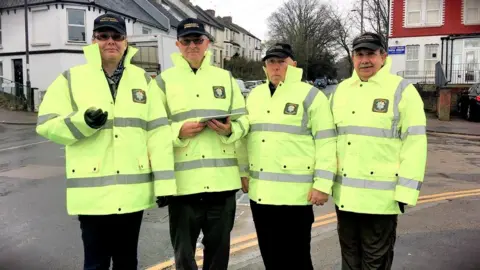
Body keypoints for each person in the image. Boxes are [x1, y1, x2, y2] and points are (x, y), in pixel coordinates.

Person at [36, 13, 176, 270]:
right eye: (103, 36)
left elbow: (158, 133)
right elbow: (46, 124)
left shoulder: (144, 81)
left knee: (126, 262)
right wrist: (82, 123)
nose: (110, 41)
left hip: (132, 195)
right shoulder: (71, 78)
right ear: (93, 40)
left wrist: (165, 183)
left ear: (125, 41)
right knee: (96, 264)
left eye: (116, 36)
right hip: (92, 196)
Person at [154, 18, 249, 270]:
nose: (193, 45)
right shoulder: (163, 82)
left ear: (207, 43)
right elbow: (151, 130)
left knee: (218, 256)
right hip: (183, 188)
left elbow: (244, 122)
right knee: (184, 257)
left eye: (198, 40)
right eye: (187, 41)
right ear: (178, 44)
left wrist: (230, 130)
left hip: (222, 185)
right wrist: (178, 131)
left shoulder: (225, 78)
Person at [328, 32, 427, 270]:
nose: (365, 60)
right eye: (359, 54)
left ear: (383, 56)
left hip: (380, 200)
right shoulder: (341, 91)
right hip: (346, 198)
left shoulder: (402, 90)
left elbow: (415, 144)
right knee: (349, 259)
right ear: (352, 58)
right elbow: (328, 141)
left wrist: (406, 191)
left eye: (370, 54)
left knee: (375, 262)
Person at [240, 43, 337, 270]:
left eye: (281, 62)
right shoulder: (254, 96)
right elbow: (244, 140)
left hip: (296, 197)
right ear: (265, 66)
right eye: (271, 62)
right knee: (271, 258)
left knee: (297, 259)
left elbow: (326, 142)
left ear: (293, 64)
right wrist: (243, 172)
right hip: (261, 195)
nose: (275, 67)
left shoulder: (311, 96)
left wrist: (322, 184)